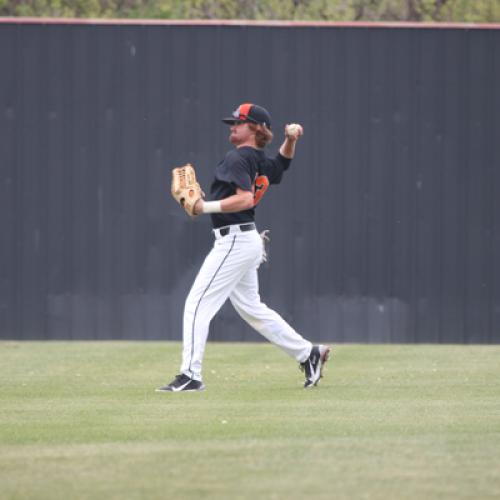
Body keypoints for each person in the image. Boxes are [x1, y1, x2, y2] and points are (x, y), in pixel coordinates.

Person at [157, 103, 330, 392]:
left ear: (256, 128)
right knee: (252, 309)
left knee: (197, 304)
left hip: (235, 240)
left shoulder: (237, 158)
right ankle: (308, 353)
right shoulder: (257, 159)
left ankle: (190, 375)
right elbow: (282, 164)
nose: (232, 126)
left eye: (239, 122)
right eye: (232, 122)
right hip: (245, 239)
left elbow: (245, 199)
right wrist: (291, 139)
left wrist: (203, 207)